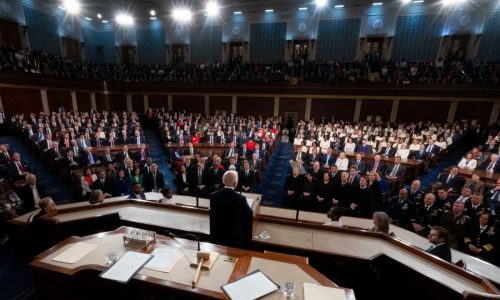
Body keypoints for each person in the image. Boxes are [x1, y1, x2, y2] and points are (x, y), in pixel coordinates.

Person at [209, 170, 253, 248]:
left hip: (217, 234)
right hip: (233, 236)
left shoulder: (213, 196)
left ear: (223, 181)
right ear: (235, 183)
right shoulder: (241, 199)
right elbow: (249, 213)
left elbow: (213, 212)